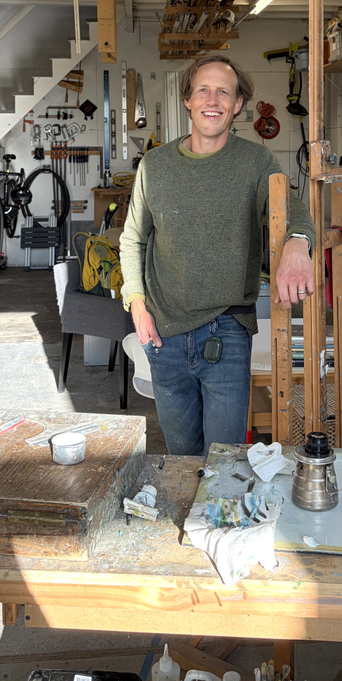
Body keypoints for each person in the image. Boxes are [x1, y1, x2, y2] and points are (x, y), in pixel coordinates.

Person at [119, 53, 316, 455]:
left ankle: (217, 521)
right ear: (187, 100)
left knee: (225, 461)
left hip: (226, 331)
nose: (213, 99)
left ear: (238, 103)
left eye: (224, 92)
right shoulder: (154, 165)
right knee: (181, 459)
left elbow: (292, 211)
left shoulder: (256, 162)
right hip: (163, 335)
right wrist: (137, 305)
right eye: (203, 90)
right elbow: (132, 239)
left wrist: (298, 241)